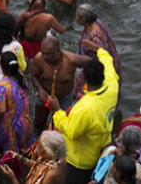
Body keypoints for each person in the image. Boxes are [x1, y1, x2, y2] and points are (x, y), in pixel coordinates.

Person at [52, 44, 119, 184]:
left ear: (84, 79)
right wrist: (99, 49)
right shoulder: (112, 85)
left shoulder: (84, 107)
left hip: (81, 162)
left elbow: (71, 131)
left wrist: (57, 111)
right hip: (102, 151)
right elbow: (108, 61)